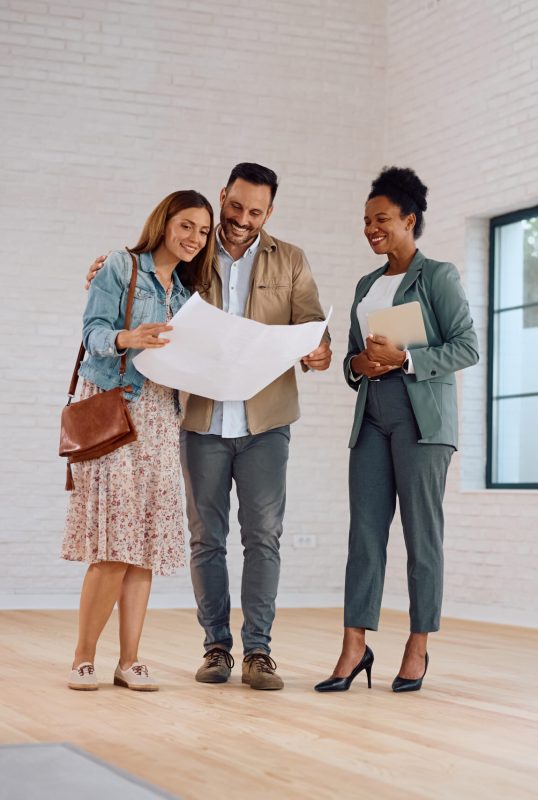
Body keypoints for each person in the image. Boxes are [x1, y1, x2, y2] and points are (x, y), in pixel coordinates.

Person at [88, 163, 331, 690]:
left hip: (267, 420)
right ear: (223, 196)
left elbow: (312, 328)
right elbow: (150, 275)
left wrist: (318, 353)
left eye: (256, 211)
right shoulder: (194, 256)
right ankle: (216, 647)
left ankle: (259, 651)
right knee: (207, 538)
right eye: (236, 206)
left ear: (270, 212)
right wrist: (107, 270)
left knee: (264, 536)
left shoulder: (290, 260)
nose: (243, 219)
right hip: (200, 418)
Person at [315, 167, 478, 694]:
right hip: (372, 416)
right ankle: (353, 646)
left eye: (381, 219)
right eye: (366, 221)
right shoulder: (366, 284)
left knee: (420, 536)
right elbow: (350, 358)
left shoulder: (439, 276)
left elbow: (467, 346)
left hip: (422, 421)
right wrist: (357, 366)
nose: (371, 229)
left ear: (410, 220)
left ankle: (418, 645)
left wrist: (406, 358)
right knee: (363, 535)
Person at [63, 189, 215, 691]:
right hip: (115, 407)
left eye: (203, 230)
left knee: (143, 544)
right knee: (112, 543)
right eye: (187, 225)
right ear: (166, 222)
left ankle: (130, 661)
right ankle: (83, 658)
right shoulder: (120, 267)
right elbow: (93, 332)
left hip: (159, 419)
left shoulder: (189, 295)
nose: (194, 237)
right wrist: (128, 338)